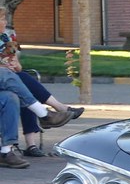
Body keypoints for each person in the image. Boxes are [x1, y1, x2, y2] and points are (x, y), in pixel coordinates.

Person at [0, 10, 82, 156]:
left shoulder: (5, 39)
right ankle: (51, 112)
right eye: (1, 19)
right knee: (22, 84)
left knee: (20, 89)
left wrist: (14, 66)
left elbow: (18, 67)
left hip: (9, 81)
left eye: (5, 19)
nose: (5, 22)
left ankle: (19, 147)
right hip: (4, 78)